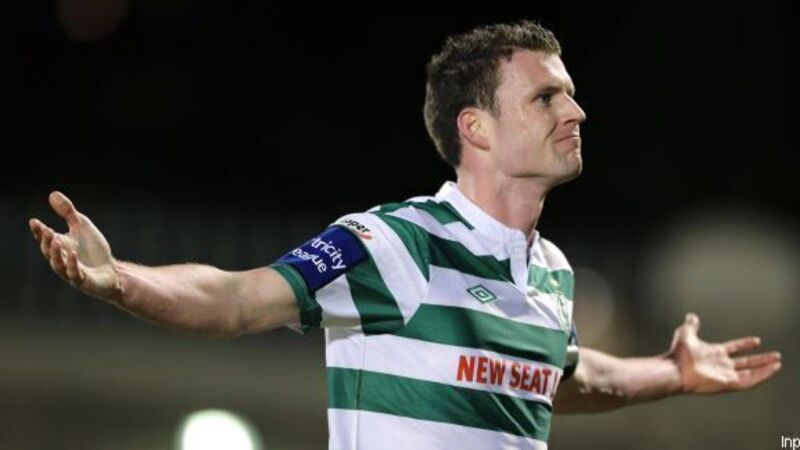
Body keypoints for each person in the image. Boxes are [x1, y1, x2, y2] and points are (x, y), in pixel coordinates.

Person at [28, 20, 781, 450]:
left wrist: (673, 371)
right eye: (546, 97)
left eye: (572, 96)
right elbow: (237, 299)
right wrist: (120, 280)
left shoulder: (551, 271)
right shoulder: (398, 243)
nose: (575, 112)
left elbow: (564, 379)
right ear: (475, 127)